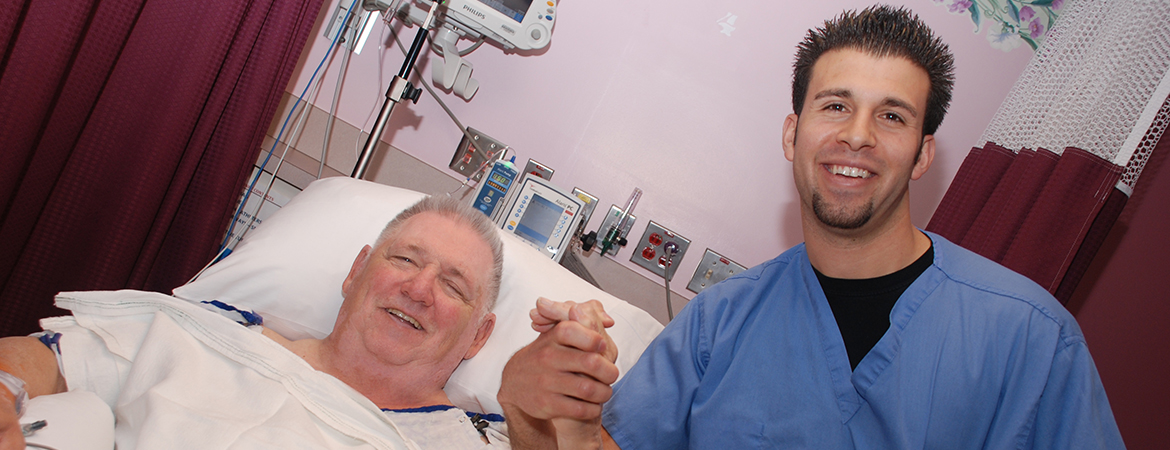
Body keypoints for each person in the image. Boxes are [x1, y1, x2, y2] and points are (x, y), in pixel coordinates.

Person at [497, 5, 1125, 449]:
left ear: (923, 155)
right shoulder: (718, 324)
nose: (857, 135)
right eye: (835, 106)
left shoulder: (1031, 341)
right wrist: (531, 410)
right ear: (792, 134)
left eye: (892, 116)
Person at [0, 195, 510, 449]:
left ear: (478, 336)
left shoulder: (465, 441)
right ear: (356, 273)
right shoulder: (211, 335)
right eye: (404, 260)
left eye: (453, 286)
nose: (418, 290)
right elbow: (52, 354)